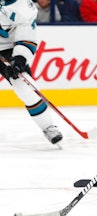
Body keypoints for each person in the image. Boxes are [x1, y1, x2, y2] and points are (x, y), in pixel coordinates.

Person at [0, 0, 63, 145]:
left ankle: (48, 126)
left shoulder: (24, 6)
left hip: (8, 48)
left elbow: (26, 38)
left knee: (25, 86)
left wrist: (19, 58)